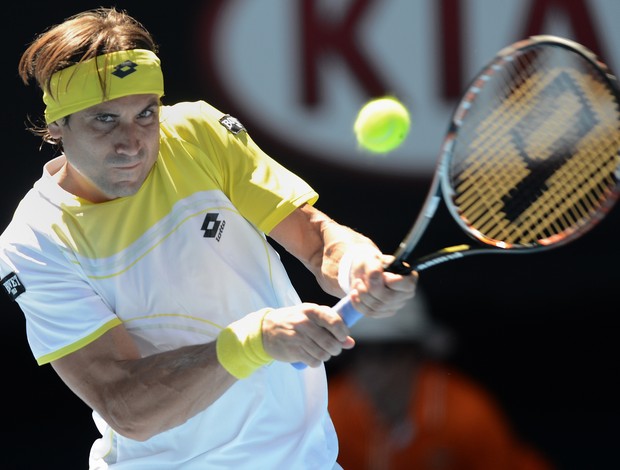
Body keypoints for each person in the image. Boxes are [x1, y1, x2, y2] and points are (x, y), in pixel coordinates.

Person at [0, 7, 417, 469]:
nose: (132, 141)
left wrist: (356, 263)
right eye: (104, 120)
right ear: (57, 125)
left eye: (145, 113)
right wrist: (253, 341)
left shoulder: (198, 135)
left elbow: (319, 243)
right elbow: (125, 406)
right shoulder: (35, 241)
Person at [327, 294, 555, 470]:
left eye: (388, 351)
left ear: (416, 354)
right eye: (359, 352)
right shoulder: (329, 415)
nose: (371, 367)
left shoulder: (468, 415)